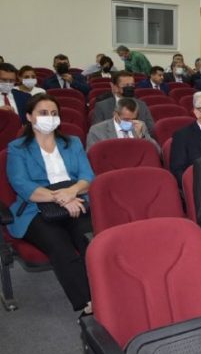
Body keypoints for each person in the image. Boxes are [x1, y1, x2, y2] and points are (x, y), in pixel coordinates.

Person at [6, 94, 94, 315]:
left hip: (76, 201)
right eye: (43, 113)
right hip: (36, 209)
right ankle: (88, 306)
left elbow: (88, 177)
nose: (50, 117)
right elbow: (22, 185)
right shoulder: (17, 148)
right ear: (29, 117)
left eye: (54, 113)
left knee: (91, 242)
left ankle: (107, 294)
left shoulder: (72, 143)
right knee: (61, 247)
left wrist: (71, 192)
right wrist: (61, 198)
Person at [86, 98, 159, 152]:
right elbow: (92, 157)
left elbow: (157, 152)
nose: (130, 122)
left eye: (133, 119)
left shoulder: (139, 126)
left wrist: (142, 137)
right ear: (115, 114)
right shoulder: (97, 131)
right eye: (126, 119)